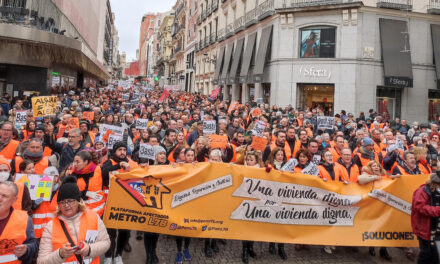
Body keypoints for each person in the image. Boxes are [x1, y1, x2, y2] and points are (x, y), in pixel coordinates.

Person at [37, 176, 110, 264]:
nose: (66, 205)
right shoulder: (50, 226)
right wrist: (60, 254)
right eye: (62, 202)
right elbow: (41, 261)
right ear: (58, 205)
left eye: (70, 201)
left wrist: (90, 249)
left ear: (78, 201)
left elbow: (106, 243)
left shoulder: (93, 217)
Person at [101, 142, 137, 264]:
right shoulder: (109, 162)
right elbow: (102, 173)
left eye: (124, 149)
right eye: (119, 149)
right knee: (110, 233)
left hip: (126, 204)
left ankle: (118, 255)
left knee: (124, 233)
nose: (122, 152)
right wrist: (118, 166)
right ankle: (108, 255)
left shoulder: (132, 163)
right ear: (114, 151)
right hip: (110, 204)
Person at [0, 181, 38, 263]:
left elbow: (33, 244)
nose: (0, 198)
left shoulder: (24, 219)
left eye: (4, 196)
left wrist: (27, 249)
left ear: (14, 200)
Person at [411, 171, 440, 264]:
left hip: (434, 228)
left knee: (434, 256)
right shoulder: (422, 190)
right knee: (425, 253)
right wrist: (437, 210)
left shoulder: (436, 191)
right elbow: (419, 207)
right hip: (424, 227)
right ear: (436, 183)